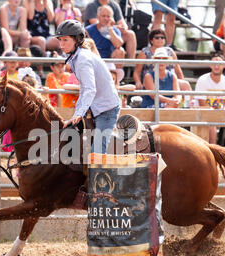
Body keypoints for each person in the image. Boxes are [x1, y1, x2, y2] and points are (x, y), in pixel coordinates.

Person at [55, 19, 120, 155]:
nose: (61, 44)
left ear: (77, 40)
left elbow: (90, 89)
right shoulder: (77, 57)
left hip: (106, 109)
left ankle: (100, 176)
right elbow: (84, 89)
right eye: (60, 40)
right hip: (98, 107)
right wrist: (77, 114)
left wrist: (78, 114)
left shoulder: (83, 59)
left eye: (65, 40)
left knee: (97, 151)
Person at [133, 29, 191, 96]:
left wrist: (181, 80)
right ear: (151, 40)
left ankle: (189, 105)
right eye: (157, 38)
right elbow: (137, 72)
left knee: (185, 85)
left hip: (170, 80)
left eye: (162, 38)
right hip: (152, 80)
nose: (160, 39)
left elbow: (178, 70)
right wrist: (138, 82)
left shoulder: (170, 51)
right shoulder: (145, 52)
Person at [194, 53, 225, 144]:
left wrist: (224, 112)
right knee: (210, 120)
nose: (217, 66)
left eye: (219, 63)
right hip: (204, 113)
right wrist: (215, 114)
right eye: (214, 63)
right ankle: (213, 148)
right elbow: (202, 104)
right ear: (210, 65)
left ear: (224, 65)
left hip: (220, 114)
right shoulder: (202, 79)